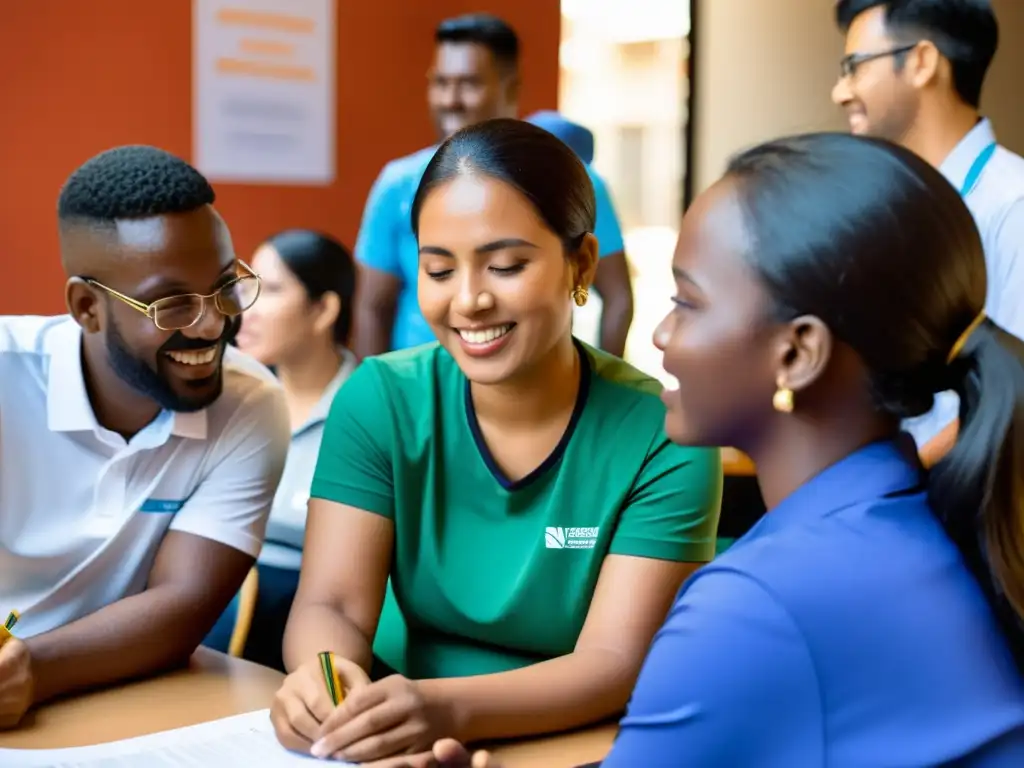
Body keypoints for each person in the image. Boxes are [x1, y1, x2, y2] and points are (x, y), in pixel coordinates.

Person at [410, 132, 1024, 767]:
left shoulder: (755, 605)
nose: (661, 333)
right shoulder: (931, 522)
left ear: (796, 353)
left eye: (687, 302)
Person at [268, 118, 722, 763]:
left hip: (574, 738)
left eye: (506, 265)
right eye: (439, 269)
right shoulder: (380, 398)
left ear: (581, 263)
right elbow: (332, 605)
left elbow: (614, 661)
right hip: (394, 725)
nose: (470, 300)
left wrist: (444, 711)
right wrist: (330, 688)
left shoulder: (664, 433)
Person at [0, 145, 289, 729]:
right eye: (172, 304)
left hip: (121, 696)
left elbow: (182, 607)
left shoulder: (249, 404)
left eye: (225, 288)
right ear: (88, 307)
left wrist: (31, 669)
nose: (211, 324)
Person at [352, 14, 634, 359]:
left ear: (511, 89)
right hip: (421, 402)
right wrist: (377, 398)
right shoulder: (397, 183)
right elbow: (371, 306)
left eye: (469, 83)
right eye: (440, 83)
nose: (450, 99)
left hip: (534, 395)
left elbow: (618, 297)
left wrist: (602, 390)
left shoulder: (570, 179)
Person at [832, 0, 1024, 466]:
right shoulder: (889, 208)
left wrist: (893, 482)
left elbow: (1015, 400)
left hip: (955, 514)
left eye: (854, 67)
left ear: (921, 62)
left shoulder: (1012, 205)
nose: (840, 91)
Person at [202, 229, 358, 671]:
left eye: (269, 290)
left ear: (324, 309)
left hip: (312, 640)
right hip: (214, 620)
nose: (243, 308)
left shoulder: (369, 411)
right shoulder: (232, 398)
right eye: (242, 288)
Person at [526, 110, 634, 356]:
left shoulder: (586, 183)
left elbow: (618, 298)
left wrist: (607, 380)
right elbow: (619, 297)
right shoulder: (588, 181)